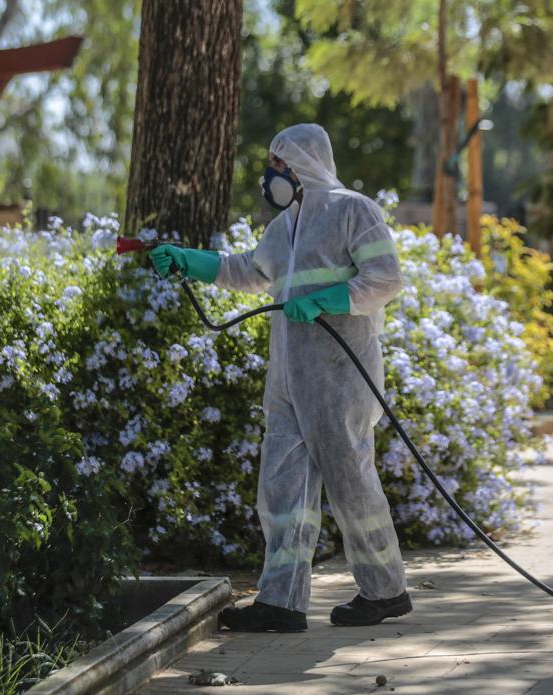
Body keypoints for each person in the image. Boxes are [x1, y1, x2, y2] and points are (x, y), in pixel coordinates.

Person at [148, 124, 411, 632]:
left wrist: (328, 300)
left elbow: (386, 278)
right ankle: (281, 602)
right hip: (290, 380)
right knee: (281, 489)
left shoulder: (354, 210)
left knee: (351, 484)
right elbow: (247, 271)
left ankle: (385, 591)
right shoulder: (284, 226)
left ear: (304, 165)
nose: (271, 177)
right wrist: (189, 262)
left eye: (278, 166)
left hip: (341, 376)